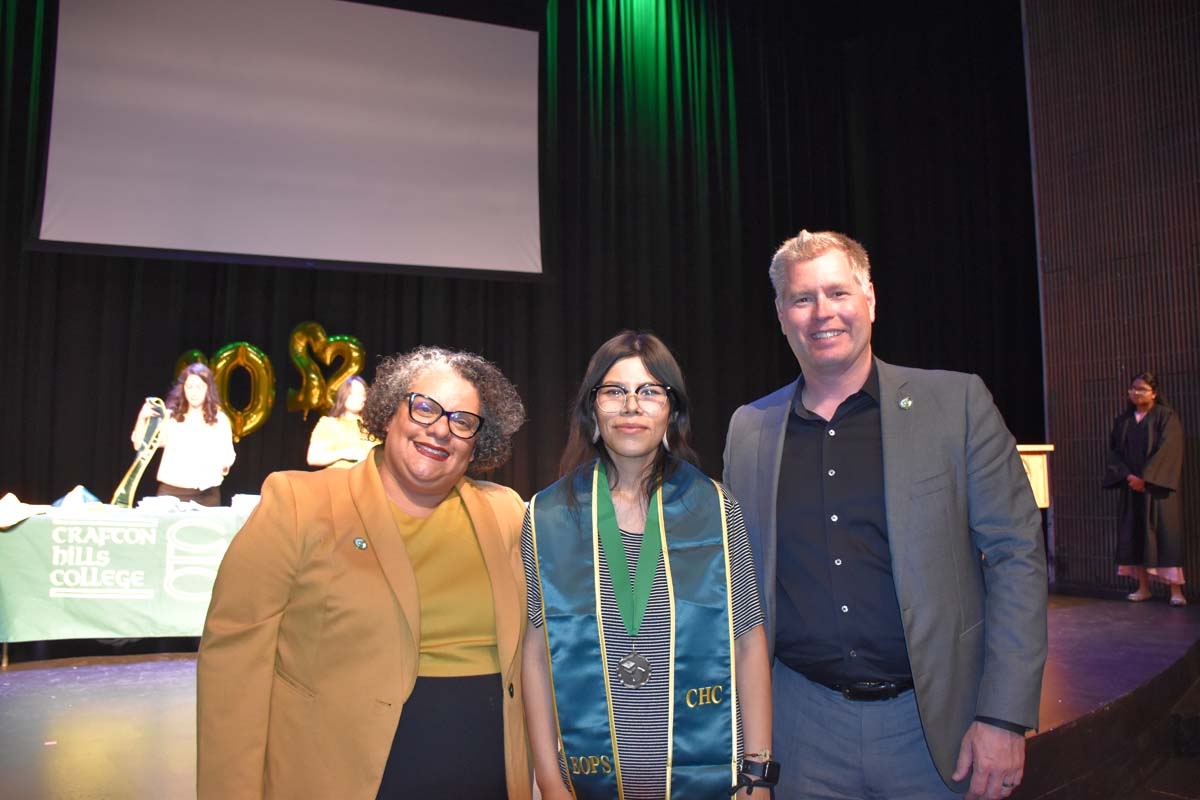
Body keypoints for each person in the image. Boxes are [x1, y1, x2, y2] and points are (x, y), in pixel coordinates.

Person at [723, 230, 1047, 800]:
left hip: (933, 727)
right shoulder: (750, 429)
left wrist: (1003, 715)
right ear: (781, 315)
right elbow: (737, 581)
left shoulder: (957, 405)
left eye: (838, 293)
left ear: (869, 299)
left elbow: (1015, 555)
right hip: (800, 724)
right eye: (802, 299)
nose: (823, 312)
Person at [196, 346, 530, 799]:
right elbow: (232, 671)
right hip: (340, 780)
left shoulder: (505, 512)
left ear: (477, 442)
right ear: (390, 412)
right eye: (425, 407)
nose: (440, 430)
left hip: (486, 778)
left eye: (462, 421)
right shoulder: (298, 503)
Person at [522, 331, 774, 800]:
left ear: (672, 411)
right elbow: (536, 655)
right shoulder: (547, 516)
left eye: (650, 391)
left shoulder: (718, 509)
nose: (631, 406)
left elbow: (748, 640)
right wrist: (551, 782)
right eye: (614, 391)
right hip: (585, 780)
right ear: (592, 409)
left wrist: (758, 774)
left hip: (709, 776)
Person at [1103, 371, 1187, 606]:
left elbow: (1169, 450)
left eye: (1141, 389)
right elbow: (1114, 452)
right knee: (1136, 534)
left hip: (1158, 490)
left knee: (1166, 537)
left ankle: (1176, 591)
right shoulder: (1125, 420)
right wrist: (1127, 475)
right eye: (1133, 389)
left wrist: (1147, 478)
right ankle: (1142, 586)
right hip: (1132, 487)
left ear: (1154, 393)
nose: (1135, 393)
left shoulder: (1165, 417)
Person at [130, 362, 235, 507]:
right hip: (172, 495)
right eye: (189, 387)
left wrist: (217, 464)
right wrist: (142, 417)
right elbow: (140, 445)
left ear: (208, 389)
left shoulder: (219, 420)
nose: (194, 392)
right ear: (183, 389)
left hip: (207, 495)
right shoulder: (171, 417)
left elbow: (228, 456)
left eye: (199, 387)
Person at [306, 375, 376, 468]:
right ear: (344, 395)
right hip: (336, 479)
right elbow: (313, 458)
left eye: (361, 394)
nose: (357, 398)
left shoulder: (371, 427)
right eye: (352, 394)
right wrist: (344, 453)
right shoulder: (328, 424)